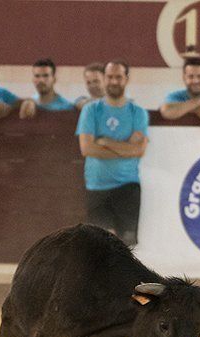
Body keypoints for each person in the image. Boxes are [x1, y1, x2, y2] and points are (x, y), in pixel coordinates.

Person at [75, 60, 149, 246]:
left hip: (127, 186)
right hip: (96, 186)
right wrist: (125, 149)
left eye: (118, 77)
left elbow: (139, 150)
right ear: (104, 78)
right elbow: (87, 148)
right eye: (109, 77)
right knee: (100, 244)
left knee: (126, 245)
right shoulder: (91, 110)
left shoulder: (138, 112)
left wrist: (105, 142)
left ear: (126, 79)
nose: (113, 81)